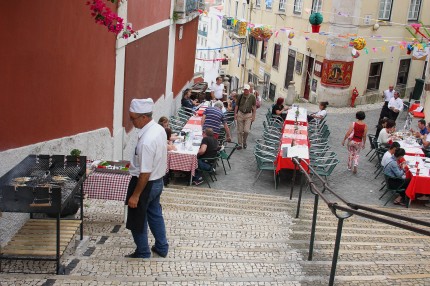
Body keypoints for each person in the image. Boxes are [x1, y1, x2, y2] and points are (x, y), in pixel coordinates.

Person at [126, 98, 169, 258]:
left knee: (137, 217)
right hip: (158, 181)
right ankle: (162, 247)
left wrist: (135, 195)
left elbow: (144, 173)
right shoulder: (159, 129)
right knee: (155, 213)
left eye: (133, 118)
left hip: (146, 183)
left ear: (144, 117)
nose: (131, 122)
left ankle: (143, 251)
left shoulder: (146, 140)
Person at [235, 84, 257, 150]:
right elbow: (236, 105)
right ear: (243, 90)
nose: (246, 91)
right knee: (240, 131)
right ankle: (239, 144)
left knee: (246, 131)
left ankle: (244, 141)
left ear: (249, 90)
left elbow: (254, 106)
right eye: (245, 89)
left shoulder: (252, 97)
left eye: (247, 89)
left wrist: (253, 116)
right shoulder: (240, 96)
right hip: (240, 113)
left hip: (248, 114)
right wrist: (235, 114)